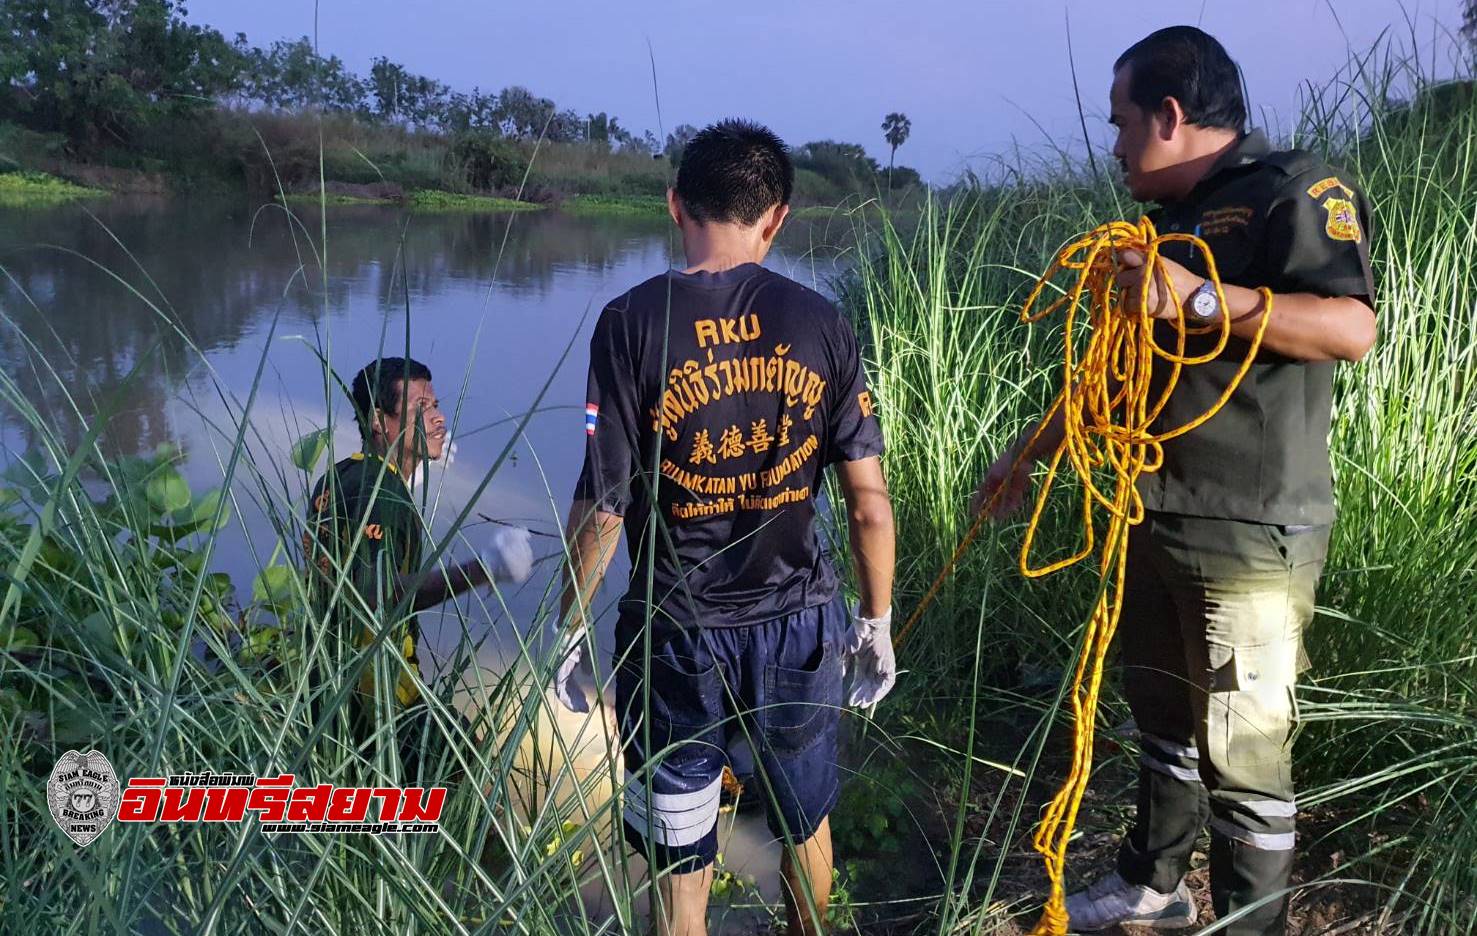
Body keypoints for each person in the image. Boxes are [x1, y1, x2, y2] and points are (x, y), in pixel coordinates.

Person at [974, 26, 1377, 935]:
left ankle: (1246, 922)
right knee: (1158, 715)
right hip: (1151, 512)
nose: (1114, 146)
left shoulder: (1293, 190)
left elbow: (1351, 327)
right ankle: (1152, 886)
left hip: (1247, 531)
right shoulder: (1163, 225)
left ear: (1169, 115)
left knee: (1243, 749)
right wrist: (1025, 459)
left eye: (1121, 124)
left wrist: (1193, 295)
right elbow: (1111, 375)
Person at [551, 120, 897, 936]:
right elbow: (868, 504)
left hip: (674, 637)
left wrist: (568, 624)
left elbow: (606, 502)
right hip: (798, 627)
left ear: (675, 205)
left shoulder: (630, 321)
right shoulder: (822, 321)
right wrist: (875, 620)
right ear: (776, 216)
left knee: (679, 857)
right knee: (803, 821)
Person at [304, 356, 534, 774]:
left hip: (325, 694)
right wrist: (485, 569)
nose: (439, 418)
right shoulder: (385, 492)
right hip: (383, 705)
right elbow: (381, 593)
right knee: (470, 774)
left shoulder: (338, 478)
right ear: (379, 420)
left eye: (436, 405)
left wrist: (409, 473)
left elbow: (352, 557)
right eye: (422, 409)